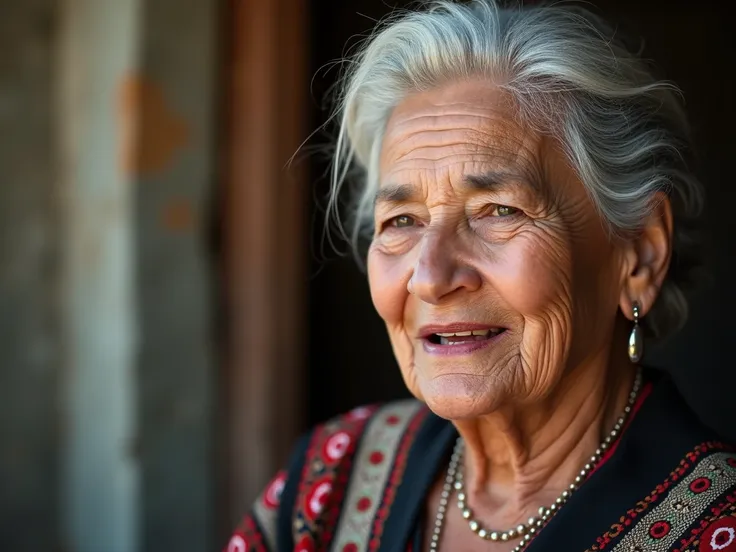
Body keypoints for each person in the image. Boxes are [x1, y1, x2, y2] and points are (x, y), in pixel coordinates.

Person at [225, 1, 736, 550]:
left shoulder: (715, 528)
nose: (430, 276)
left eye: (499, 211)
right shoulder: (327, 481)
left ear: (639, 254)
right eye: (402, 220)